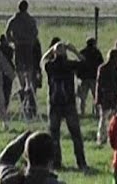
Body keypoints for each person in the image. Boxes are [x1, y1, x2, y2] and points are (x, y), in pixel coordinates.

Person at [43, 39, 89, 170]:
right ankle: (81, 163)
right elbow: (84, 63)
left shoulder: (50, 66)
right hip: (69, 103)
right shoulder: (70, 65)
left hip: (54, 103)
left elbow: (43, 60)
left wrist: (52, 49)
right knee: (76, 135)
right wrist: (73, 50)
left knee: (54, 136)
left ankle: (56, 163)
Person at [0, 130, 65, 184]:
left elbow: (3, 161)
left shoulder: (9, 180)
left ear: (25, 156)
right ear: (51, 160)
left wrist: (25, 136)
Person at [6, 0, 40, 93]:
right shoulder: (31, 20)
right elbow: (35, 32)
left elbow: (7, 32)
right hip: (28, 45)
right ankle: (28, 84)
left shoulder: (13, 20)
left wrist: (12, 41)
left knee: (19, 66)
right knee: (29, 65)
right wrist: (31, 41)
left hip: (18, 45)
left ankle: (22, 84)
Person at [95, 47, 117, 145]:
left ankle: (102, 137)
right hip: (112, 95)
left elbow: (99, 83)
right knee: (112, 118)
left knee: (103, 118)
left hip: (105, 95)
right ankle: (111, 137)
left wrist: (98, 97)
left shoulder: (102, 68)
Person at [75, 37, 103, 116]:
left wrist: (78, 75)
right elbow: (101, 64)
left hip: (84, 78)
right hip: (94, 77)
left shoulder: (82, 52)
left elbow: (78, 65)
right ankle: (97, 113)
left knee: (82, 97)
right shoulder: (97, 52)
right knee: (96, 97)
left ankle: (82, 112)